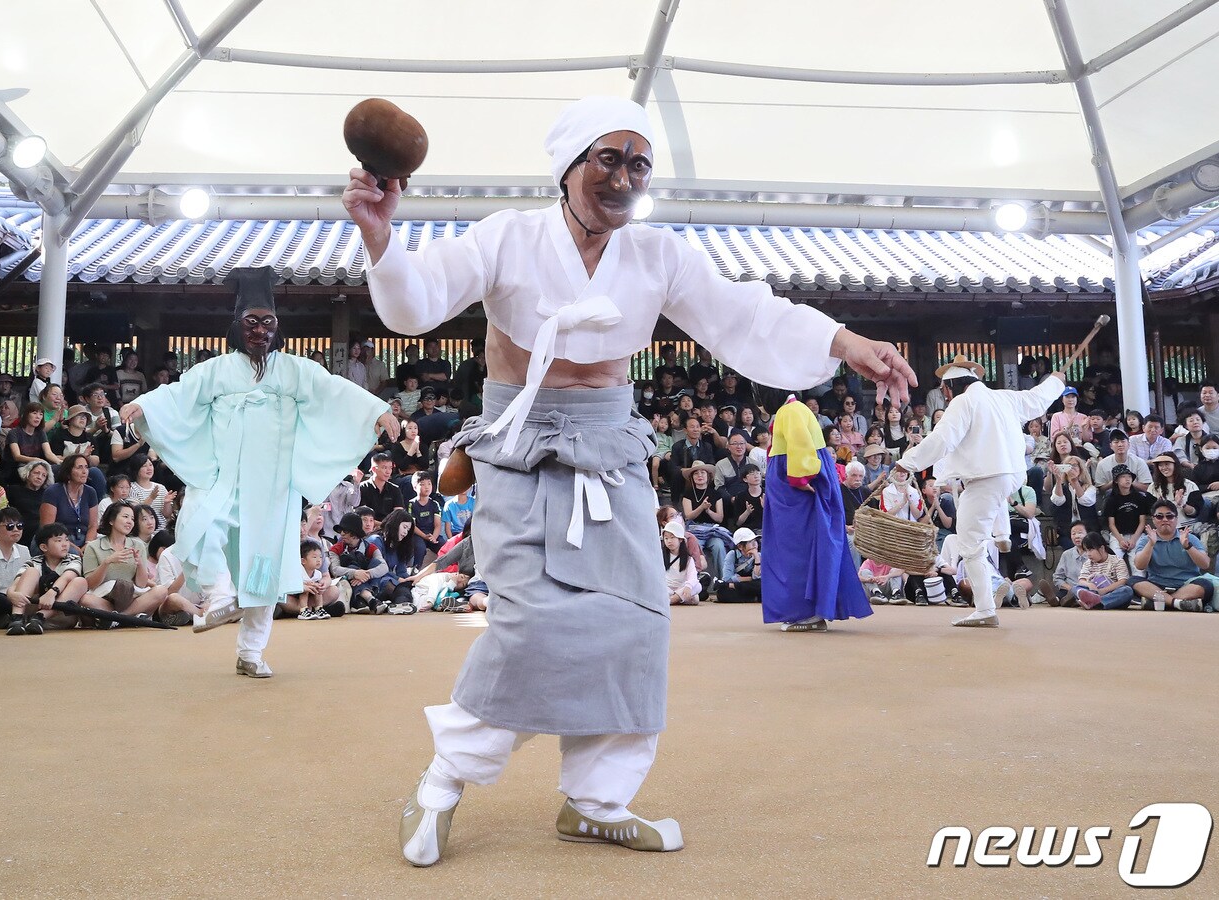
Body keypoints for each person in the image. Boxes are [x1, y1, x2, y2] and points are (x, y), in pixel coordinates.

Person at [351, 96, 912, 864]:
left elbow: (742, 316)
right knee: (532, 623)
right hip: (519, 438)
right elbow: (415, 303)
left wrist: (845, 341)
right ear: (570, 166)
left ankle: (596, 798)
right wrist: (382, 239)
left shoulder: (657, 254)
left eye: (638, 163)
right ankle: (442, 782)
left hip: (610, 445)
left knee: (638, 620)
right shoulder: (506, 237)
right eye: (608, 159)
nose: (623, 177)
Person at [120, 268, 394, 677]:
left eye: (268, 323)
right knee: (198, 521)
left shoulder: (295, 369)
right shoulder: (217, 369)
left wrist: (379, 410)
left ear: (277, 328)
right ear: (237, 325)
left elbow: (333, 389)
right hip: (223, 476)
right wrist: (145, 405)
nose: (260, 330)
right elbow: (180, 392)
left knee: (265, 568)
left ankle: (250, 652)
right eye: (251, 322)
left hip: (272, 486)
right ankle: (216, 593)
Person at [894, 354, 1064, 627]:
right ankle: (1002, 533)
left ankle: (985, 608)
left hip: (986, 477)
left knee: (969, 544)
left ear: (949, 388)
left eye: (945, 392)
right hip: (1011, 475)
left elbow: (942, 440)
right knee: (992, 505)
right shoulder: (1004, 397)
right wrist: (1056, 382)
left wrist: (907, 461)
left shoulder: (963, 401)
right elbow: (1038, 398)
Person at [762, 397, 872, 631]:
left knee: (798, 548)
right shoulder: (791, 409)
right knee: (798, 546)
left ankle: (808, 611)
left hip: (795, 490)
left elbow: (801, 446)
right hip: (790, 488)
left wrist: (800, 477)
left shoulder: (791, 410)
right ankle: (807, 609)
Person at [5, 523, 92, 634]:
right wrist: (11, 593)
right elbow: (17, 582)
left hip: (58, 612)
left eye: (66, 540)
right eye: (58, 541)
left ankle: (39, 617)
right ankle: (16, 619)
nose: (65, 544)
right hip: (34, 606)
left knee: (80, 582)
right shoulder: (33, 561)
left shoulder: (73, 559)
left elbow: (67, 577)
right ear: (44, 547)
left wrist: (52, 593)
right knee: (31, 572)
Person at [1128, 500, 1210, 611]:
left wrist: (1188, 547)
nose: (1165, 520)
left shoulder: (1189, 538)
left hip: (1186, 585)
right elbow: (1139, 566)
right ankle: (1177, 603)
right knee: (1132, 581)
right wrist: (1151, 544)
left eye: (1170, 516)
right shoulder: (1145, 540)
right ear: (1153, 519)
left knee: (1206, 585)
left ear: (1176, 519)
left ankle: (1160, 602)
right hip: (1157, 586)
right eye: (1159, 516)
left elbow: (1205, 564)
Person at [40, 454, 99, 548]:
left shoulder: (90, 492)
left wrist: (88, 545)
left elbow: (93, 525)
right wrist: (73, 547)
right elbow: (47, 528)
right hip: (57, 540)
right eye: (79, 467)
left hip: (84, 539)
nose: (84, 471)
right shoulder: (53, 492)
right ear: (68, 472)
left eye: (86, 467)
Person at [1074, 532, 1135, 610]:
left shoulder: (1117, 561)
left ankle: (1096, 602)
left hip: (1112, 595)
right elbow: (1081, 581)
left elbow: (1122, 581)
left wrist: (1102, 591)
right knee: (1075, 588)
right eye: (1086, 551)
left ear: (1102, 548)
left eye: (1090, 550)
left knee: (1127, 590)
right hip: (1093, 592)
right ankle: (1094, 602)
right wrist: (1090, 585)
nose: (1088, 554)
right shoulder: (1088, 563)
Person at [1102, 467, 1151, 564]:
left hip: (1137, 534)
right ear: (1116, 480)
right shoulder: (1111, 500)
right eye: (1123, 477)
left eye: (1129, 476)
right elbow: (1111, 524)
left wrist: (1134, 539)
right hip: (1118, 535)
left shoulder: (1139, 497)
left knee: (1137, 562)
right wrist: (1120, 540)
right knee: (1114, 561)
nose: (1127, 479)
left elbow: (1142, 522)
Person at [717, 528, 762, 602]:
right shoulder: (732, 555)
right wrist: (749, 579)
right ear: (740, 546)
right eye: (750, 542)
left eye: (755, 541)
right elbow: (727, 578)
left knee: (761, 585)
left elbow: (757, 577)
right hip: (742, 586)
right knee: (722, 592)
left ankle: (747, 598)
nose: (754, 545)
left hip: (748, 585)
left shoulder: (759, 556)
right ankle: (752, 598)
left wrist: (757, 558)